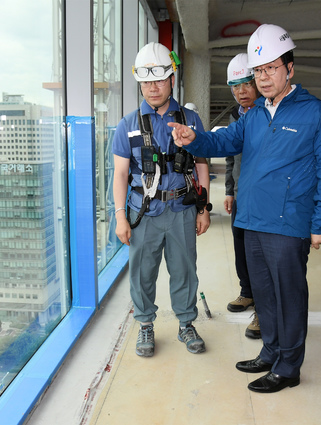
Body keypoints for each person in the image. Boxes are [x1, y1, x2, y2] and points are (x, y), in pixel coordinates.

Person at [169, 24, 321, 393]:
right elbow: (223, 141)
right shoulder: (252, 116)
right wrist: (194, 138)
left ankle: (289, 366)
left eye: (271, 69)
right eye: (259, 71)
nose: (263, 78)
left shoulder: (314, 114)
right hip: (251, 219)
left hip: (289, 222)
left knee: (289, 296)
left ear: (290, 69)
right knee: (263, 293)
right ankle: (270, 352)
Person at [112, 42, 211, 357]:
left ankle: (185, 323)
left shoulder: (190, 119)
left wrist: (203, 209)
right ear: (139, 82)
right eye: (145, 81)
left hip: (181, 209)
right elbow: (120, 175)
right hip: (144, 212)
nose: (152, 88)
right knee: (142, 271)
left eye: (158, 79)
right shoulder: (128, 125)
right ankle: (145, 325)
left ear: (172, 78)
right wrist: (119, 216)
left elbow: (201, 164)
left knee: (185, 270)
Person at [224, 53, 261, 339]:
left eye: (246, 84)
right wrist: (228, 190)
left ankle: (263, 310)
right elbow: (230, 157)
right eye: (235, 87)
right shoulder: (235, 116)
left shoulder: (269, 114)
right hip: (240, 196)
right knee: (241, 248)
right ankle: (247, 293)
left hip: (263, 199)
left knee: (260, 254)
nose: (241, 92)